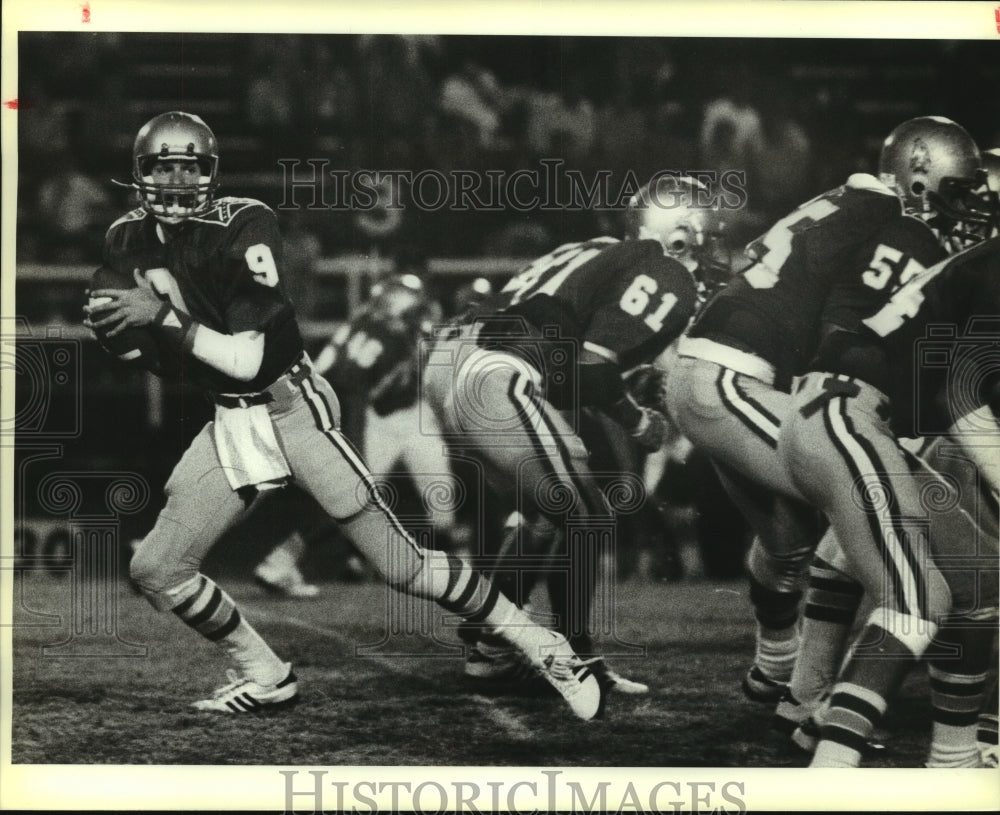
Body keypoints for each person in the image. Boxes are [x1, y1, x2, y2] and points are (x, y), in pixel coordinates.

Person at [83, 111, 602, 720]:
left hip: (293, 408)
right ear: (140, 174)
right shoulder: (126, 239)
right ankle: (265, 674)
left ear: (209, 173)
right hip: (231, 420)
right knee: (156, 569)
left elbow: (248, 359)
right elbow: (178, 361)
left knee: (403, 567)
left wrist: (161, 319)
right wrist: (129, 337)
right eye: (161, 167)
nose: (174, 180)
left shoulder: (244, 223)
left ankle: (547, 646)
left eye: (186, 167)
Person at [665, 116, 990, 705]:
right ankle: (817, 699)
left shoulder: (852, 202)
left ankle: (778, 670)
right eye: (958, 190)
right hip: (735, 379)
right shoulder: (894, 225)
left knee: (790, 539)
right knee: (881, 498)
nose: (963, 209)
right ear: (923, 178)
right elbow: (853, 336)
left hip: (716, 376)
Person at [421, 173, 732, 694]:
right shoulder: (663, 269)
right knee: (584, 511)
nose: (708, 252)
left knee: (555, 509)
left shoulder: (591, 249)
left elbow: (569, 357)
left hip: (456, 360)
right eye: (702, 236)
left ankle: (491, 643)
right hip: (498, 370)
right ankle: (563, 654)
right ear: (679, 232)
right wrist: (640, 421)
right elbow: (590, 369)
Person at [779, 226, 999, 767]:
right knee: (918, 602)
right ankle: (828, 775)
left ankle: (952, 759)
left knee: (979, 576)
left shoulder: (979, 264)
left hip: (863, 421)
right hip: (846, 411)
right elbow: (957, 391)